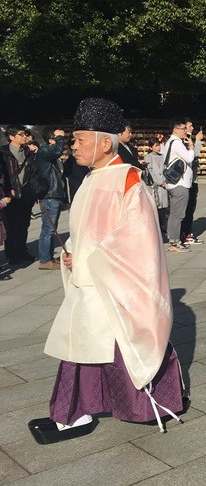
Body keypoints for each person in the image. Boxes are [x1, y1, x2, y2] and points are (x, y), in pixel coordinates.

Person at [29, 97, 185, 445]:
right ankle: (76, 412)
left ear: (104, 142)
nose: (74, 146)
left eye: (80, 139)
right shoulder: (91, 178)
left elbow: (139, 241)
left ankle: (119, 409)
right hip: (92, 281)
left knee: (114, 345)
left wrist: (88, 258)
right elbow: (86, 230)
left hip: (114, 284)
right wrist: (73, 251)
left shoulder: (128, 180)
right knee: (86, 347)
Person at [0, 125, 39, 264]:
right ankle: (12, 255)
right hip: (10, 194)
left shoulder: (28, 151)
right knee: (11, 226)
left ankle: (22, 251)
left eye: (24, 134)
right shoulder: (4, 152)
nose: (24, 137)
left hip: (26, 193)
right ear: (11, 137)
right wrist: (6, 190)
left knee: (24, 224)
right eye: (21, 134)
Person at [162, 118, 196, 253]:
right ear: (175, 130)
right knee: (178, 214)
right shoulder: (176, 142)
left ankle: (174, 240)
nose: (185, 131)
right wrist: (191, 148)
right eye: (183, 129)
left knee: (174, 214)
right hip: (179, 184)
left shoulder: (169, 142)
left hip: (172, 183)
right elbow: (189, 158)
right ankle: (174, 243)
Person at [36, 128, 68, 270]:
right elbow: (57, 151)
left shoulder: (51, 154)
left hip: (55, 195)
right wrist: (60, 138)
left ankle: (48, 257)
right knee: (48, 229)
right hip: (50, 195)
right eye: (57, 138)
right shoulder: (45, 150)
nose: (61, 141)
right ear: (51, 140)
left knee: (51, 228)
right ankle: (44, 260)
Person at [144, 138, 169, 242]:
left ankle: (163, 228)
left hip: (164, 184)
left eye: (159, 145)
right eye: (156, 146)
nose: (158, 148)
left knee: (164, 209)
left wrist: (165, 181)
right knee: (155, 208)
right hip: (154, 186)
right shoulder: (148, 157)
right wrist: (160, 182)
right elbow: (150, 172)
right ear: (151, 147)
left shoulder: (162, 156)